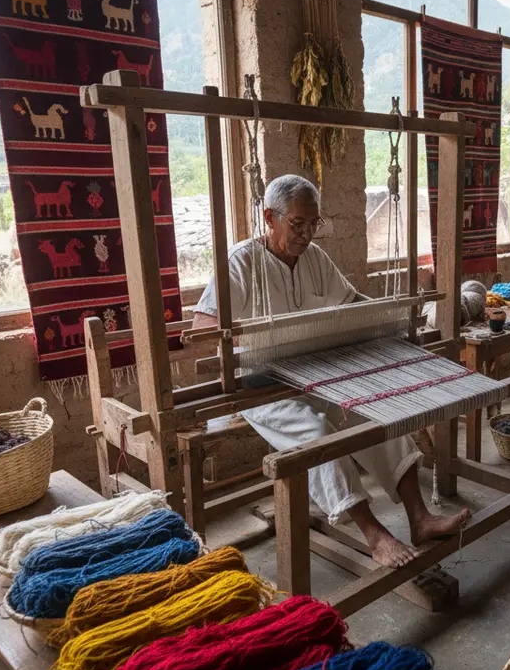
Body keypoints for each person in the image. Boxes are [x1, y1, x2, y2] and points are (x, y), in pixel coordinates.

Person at [193, 174, 470, 568]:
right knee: (317, 434)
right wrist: (251, 339)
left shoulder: (315, 259)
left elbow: (351, 300)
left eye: (314, 224)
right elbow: (204, 330)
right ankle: (375, 535)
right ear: (270, 218)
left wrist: (388, 319)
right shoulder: (240, 263)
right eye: (298, 224)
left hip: (317, 371)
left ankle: (420, 518)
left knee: (375, 411)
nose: (307, 235)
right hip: (259, 382)